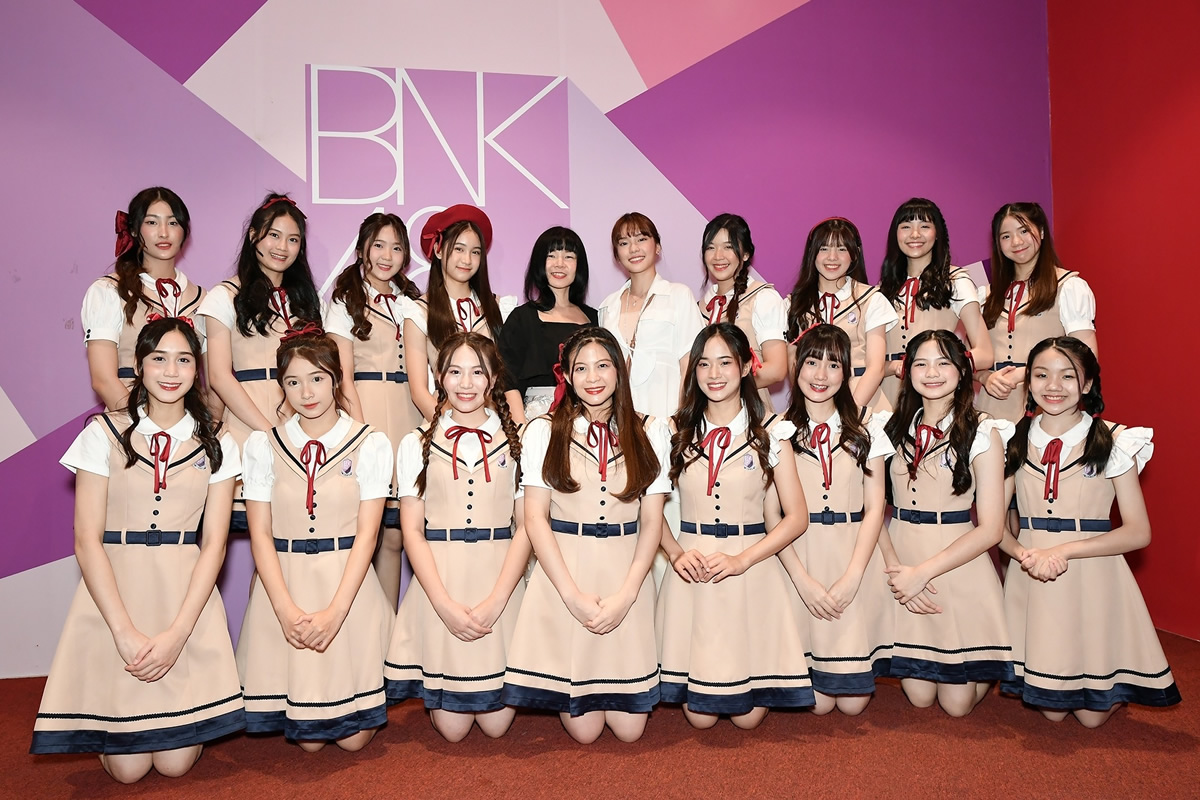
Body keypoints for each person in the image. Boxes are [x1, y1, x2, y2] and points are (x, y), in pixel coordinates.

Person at [31, 318, 243, 783]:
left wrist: (178, 634)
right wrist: (123, 631)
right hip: (117, 595)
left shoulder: (219, 441)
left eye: (183, 360)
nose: (171, 371)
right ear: (139, 366)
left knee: (173, 765)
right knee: (127, 771)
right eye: (158, 359)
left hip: (182, 597)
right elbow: (86, 540)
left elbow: (214, 544)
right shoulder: (102, 433)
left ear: (197, 369)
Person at [999, 336, 1179, 726]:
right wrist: (1023, 555)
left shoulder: (1115, 440)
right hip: (1033, 573)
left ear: (1087, 384)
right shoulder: (1013, 439)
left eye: (1068, 376)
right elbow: (996, 527)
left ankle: (1109, 674)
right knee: (1052, 711)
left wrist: (1064, 551)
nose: (1053, 386)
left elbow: (1138, 532)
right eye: (1041, 375)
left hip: (1092, 571)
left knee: (1090, 718)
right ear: (1028, 382)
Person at [502, 327, 669, 743]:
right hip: (566, 575)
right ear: (567, 375)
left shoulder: (651, 430)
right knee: (586, 731)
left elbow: (652, 522)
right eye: (581, 368)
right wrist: (572, 596)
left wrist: (628, 595)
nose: (592, 377)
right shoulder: (544, 430)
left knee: (630, 731)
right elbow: (534, 518)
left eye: (602, 365)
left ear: (620, 369)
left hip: (624, 574)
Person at [235, 332, 393, 751]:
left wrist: (336, 612)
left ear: (336, 379)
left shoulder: (370, 443)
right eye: (293, 381)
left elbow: (368, 534)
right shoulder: (263, 445)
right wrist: (284, 610)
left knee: (353, 741)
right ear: (281, 386)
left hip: (347, 588)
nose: (306, 393)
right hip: (287, 588)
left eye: (317, 379)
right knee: (309, 743)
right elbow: (260, 533)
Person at [656, 323, 813, 729]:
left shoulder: (772, 432)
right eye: (704, 364)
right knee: (701, 720)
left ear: (746, 367)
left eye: (725, 362)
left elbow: (797, 517)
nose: (714, 374)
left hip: (751, 571)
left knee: (747, 720)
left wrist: (743, 560)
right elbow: (647, 508)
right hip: (693, 574)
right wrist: (675, 554)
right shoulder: (672, 430)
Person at [385, 332, 529, 741]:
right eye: (455, 372)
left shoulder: (519, 440)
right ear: (439, 377)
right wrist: (443, 605)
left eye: (477, 372)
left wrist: (497, 600)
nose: (466, 384)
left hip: (498, 579)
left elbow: (526, 527)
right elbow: (412, 530)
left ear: (493, 378)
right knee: (452, 730)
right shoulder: (415, 443)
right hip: (441, 581)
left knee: (497, 727)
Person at [878, 329, 1014, 716]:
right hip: (902, 557)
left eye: (943, 363)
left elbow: (992, 529)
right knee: (920, 697)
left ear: (962, 370)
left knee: (956, 706)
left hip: (957, 562)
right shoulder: (890, 428)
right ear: (907, 372)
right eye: (921, 363)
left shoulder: (984, 430)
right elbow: (871, 510)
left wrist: (922, 573)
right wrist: (899, 572)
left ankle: (987, 659)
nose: (932, 372)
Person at [773, 324, 895, 715]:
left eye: (833, 364)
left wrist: (854, 576)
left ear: (847, 373)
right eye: (812, 362)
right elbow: (771, 514)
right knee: (818, 705)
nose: (821, 375)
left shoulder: (868, 427)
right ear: (797, 368)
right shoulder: (776, 431)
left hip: (851, 555)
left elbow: (875, 507)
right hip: (799, 558)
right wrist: (801, 580)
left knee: (853, 705)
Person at [197, 192, 323, 532]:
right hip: (246, 428)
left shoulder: (309, 302)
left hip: (301, 430)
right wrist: (269, 433)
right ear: (253, 236)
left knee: (293, 537)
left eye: (293, 239)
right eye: (274, 235)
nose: (282, 247)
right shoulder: (224, 296)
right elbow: (219, 377)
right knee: (235, 532)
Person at [326, 212, 423, 607]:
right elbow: (343, 376)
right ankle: (364, 625)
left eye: (396, 248)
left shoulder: (412, 302)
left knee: (398, 534)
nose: (387, 255)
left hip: (410, 416)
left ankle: (390, 630)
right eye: (379, 245)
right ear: (362, 248)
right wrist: (362, 436)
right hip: (366, 413)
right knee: (367, 530)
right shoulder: (344, 300)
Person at [82, 187, 207, 412]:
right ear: (133, 229)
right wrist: (145, 426)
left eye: (173, 223)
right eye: (152, 222)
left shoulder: (204, 299)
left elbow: (211, 382)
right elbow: (103, 380)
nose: (163, 233)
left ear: (184, 231)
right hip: (128, 422)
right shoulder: (109, 291)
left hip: (188, 425)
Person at [976, 202, 1097, 423]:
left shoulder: (1069, 286)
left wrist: (1026, 373)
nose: (1016, 242)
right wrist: (985, 377)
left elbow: (1086, 357)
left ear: (1041, 232)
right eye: (1006, 236)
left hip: (1046, 408)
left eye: (1024, 231)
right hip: (989, 410)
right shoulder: (985, 295)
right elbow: (969, 359)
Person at [403, 204, 522, 421]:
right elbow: (419, 392)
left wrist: (512, 427)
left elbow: (509, 380)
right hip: (444, 422)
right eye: (459, 249)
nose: (467, 260)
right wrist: (449, 430)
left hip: (495, 424)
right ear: (438, 250)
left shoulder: (500, 308)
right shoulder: (419, 312)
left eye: (475, 252)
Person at [877, 198, 992, 408]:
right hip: (885, 400)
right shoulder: (883, 288)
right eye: (906, 226)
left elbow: (984, 353)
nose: (915, 234)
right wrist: (892, 367)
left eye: (925, 226)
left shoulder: (956, 280)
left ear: (938, 233)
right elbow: (869, 362)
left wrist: (939, 366)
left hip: (934, 395)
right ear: (895, 234)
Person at [596, 212, 704, 420]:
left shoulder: (678, 295)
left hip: (667, 419)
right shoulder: (607, 306)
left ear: (657, 246)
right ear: (617, 254)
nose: (633, 248)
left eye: (641, 239)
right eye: (624, 243)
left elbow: (690, 364)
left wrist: (680, 420)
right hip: (619, 423)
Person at [785, 217, 898, 411]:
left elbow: (876, 367)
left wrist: (849, 414)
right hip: (812, 403)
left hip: (862, 401)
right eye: (824, 248)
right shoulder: (792, 304)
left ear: (854, 254)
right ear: (812, 253)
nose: (832, 257)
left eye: (841, 249)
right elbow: (793, 366)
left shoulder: (872, 299)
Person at [497, 226, 598, 419]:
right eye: (551, 256)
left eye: (569, 256)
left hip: (586, 419)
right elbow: (506, 380)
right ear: (539, 263)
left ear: (579, 265)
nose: (560, 264)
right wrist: (521, 428)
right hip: (535, 420)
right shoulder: (522, 318)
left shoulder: (595, 319)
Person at [695, 214, 788, 410]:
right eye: (711, 247)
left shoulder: (763, 298)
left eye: (728, 247)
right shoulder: (698, 306)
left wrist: (723, 384)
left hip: (751, 414)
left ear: (745, 254)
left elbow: (777, 369)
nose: (718, 256)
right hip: (704, 416)